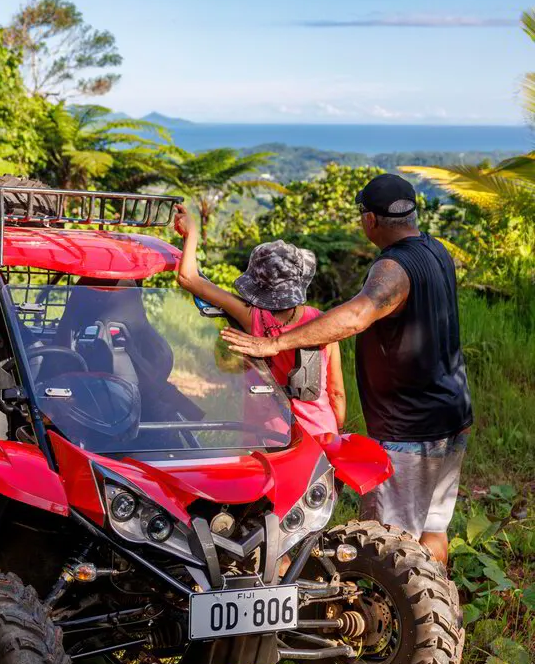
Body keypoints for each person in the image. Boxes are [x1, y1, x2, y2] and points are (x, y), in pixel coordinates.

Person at [221, 173, 473, 566]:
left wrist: (274, 343)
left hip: (409, 428)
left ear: (369, 220)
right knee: (432, 531)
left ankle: (397, 625)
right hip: (452, 415)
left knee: (386, 549)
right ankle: (441, 616)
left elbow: (356, 315)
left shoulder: (394, 266)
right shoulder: (436, 250)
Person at [174, 204, 346, 437]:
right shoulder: (324, 324)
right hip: (321, 433)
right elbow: (336, 393)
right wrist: (338, 432)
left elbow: (189, 278)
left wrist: (191, 232)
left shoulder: (252, 316)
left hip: (268, 435)